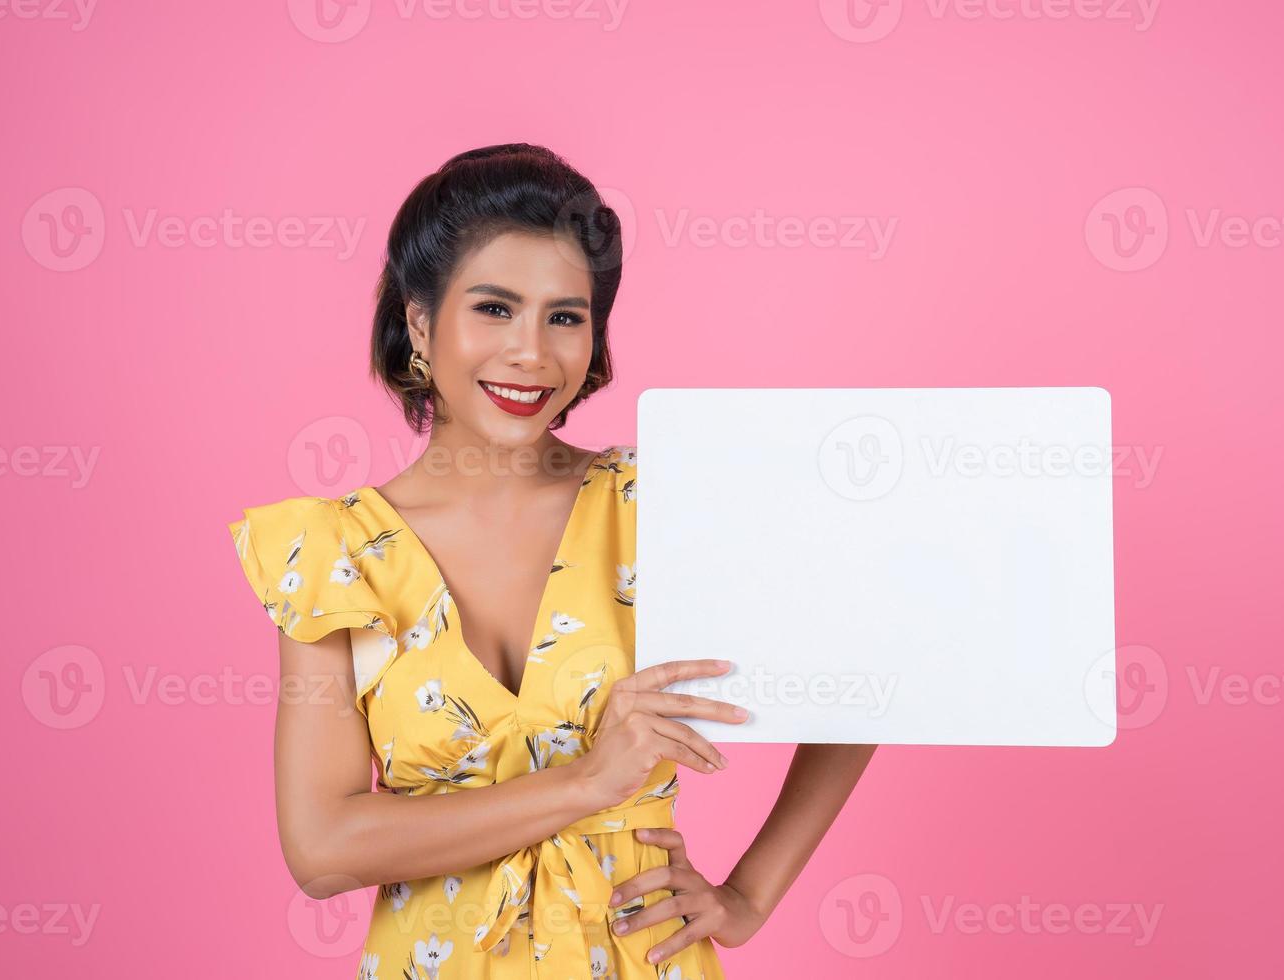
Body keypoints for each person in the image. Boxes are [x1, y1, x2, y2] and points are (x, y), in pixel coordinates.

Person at [226, 143, 877, 979]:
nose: (531, 353)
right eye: (494, 309)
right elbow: (323, 849)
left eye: (564, 317)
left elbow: (869, 664)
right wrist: (586, 784)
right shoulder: (332, 552)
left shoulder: (664, 505)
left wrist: (748, 895)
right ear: (420, 320)